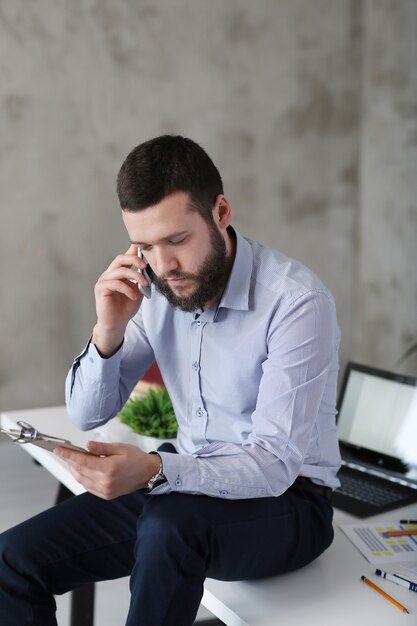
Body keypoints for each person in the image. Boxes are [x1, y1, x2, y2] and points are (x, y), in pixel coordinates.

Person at [0, 135, 341, 626]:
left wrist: (157, 470)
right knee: (13, 560)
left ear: (220, 211)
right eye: (144, 247)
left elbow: (273, 465)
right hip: (185, 484)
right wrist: (108, 330)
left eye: (177, 241)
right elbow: (86, 412)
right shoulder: (157, 289)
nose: (162, 266)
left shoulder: (296, 302)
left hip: (291, 503)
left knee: (168, 527)